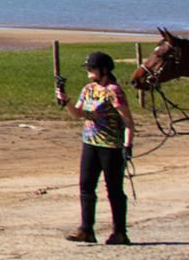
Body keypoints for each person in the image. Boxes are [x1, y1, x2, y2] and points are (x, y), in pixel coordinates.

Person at [56, 50, 135, 245]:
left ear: (104, 70)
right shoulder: (88, 89)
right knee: (86, 185)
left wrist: (127, 145)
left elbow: (128, 122)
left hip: (111, 146)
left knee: (114, 189)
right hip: (90, 143)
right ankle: (86, 229)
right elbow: (78, 114)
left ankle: (119, 232)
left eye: (91, 68)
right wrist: (65, 100)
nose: (88, 71)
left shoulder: (114, 91)